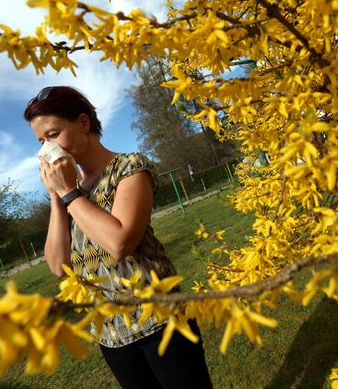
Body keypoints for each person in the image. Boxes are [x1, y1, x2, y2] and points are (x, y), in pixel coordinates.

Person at [24, 86, 212, 389]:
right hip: (112, 334)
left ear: (84, 124)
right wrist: (56, 199)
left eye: (53, 134)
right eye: (41, 141)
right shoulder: (71, 190)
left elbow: (120, 243)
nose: (46, 149)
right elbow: (59, 266)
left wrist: (69, 194)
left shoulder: (129, 168)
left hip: (161, 321)